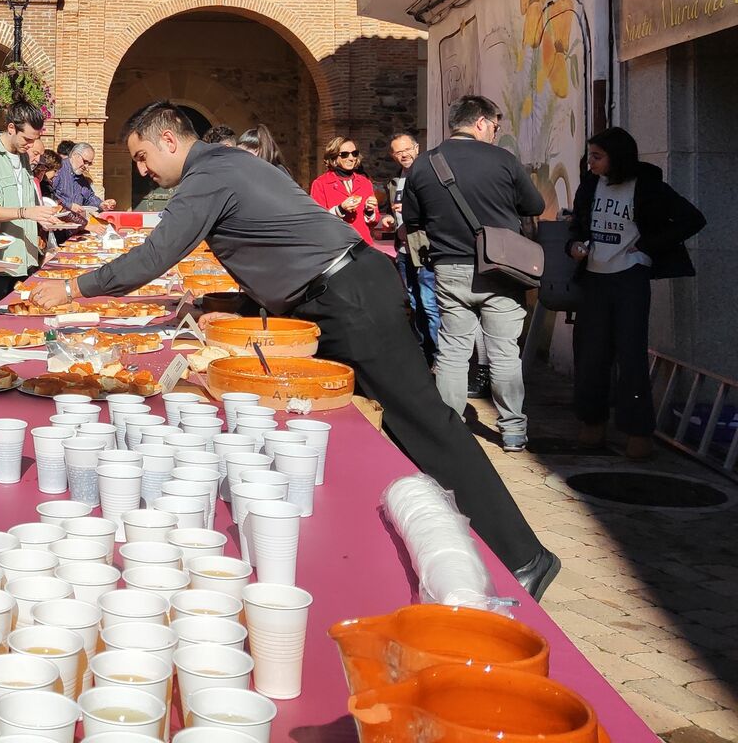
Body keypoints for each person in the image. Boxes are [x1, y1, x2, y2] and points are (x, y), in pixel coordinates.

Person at [31, 101, 558, 596]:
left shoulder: (210, 173)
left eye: (142, 156)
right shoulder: (227, 166)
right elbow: (282, 243)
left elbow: (156, 255)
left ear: (168, 139)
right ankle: (438, 546)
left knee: (424, 421)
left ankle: (525, 556)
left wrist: (76, 288)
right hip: (334, 296)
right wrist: (235, 302)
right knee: (391, 427)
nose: (143, 169)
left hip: (350, 296)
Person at [403, 96, 545, 453]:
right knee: (504, 352)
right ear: (480, 122)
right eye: (496, 125)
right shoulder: (504, 160)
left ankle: (449, 433)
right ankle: (513, 430)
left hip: (450, 267)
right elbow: (535, 206)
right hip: (500, 268)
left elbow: (413, 220)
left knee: (452, 351)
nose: (496, 132)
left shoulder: (424, 164)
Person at [567, 127, 705, 459]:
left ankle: (637, 432)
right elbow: (578, 223)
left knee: (631, 357)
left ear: (618, 157)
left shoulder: (647, 186)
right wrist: (574, 245)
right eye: (591, 157)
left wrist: (647, 247)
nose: (592, 164)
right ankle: (592, 426)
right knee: (590, 355)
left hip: (630, 278)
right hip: (594, 279)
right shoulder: (590, 185)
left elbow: (692, 218)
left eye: (598, 157)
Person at [0, 101, 63, 303]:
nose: (30, 146)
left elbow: (28, 200)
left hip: (28, 259)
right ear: (11, 128)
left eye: (34, 140)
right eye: (27, 139)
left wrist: (43, 218)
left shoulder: (22, 157)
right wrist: (26, 212)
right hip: (1, 266)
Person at [381, 133, 440, 359]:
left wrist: (406, 211)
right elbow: (394, 209)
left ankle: (439, 356)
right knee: (415, 302)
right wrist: (390, 217)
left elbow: (435, 210)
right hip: (404, 250)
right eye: (398, 152)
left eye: (408, 149)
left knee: (429, 303)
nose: (404, 155)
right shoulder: (396, 180)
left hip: (424, 248)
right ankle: (425, 351)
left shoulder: (428, 174)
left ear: (417, 148)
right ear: (393, 156)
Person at [311, 136, 382, 247]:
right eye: (344, 154)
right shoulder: (321, 183)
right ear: (334, 157)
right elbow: (318, 221)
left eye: (354, 153)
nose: (351, 158)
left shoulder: (365, 182)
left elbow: (374, 221)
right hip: (336, 246)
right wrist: (340, 209)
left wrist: (369, 211)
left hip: (362, 245)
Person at [54, 141, 116, 214]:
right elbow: (48, 196)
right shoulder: (57, 170)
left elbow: (89, 197)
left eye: (89, 163)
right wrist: (69, 205)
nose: (86, 167)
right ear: (74, 155)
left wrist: (101, 204)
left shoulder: (80, 178)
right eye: (85, 162)